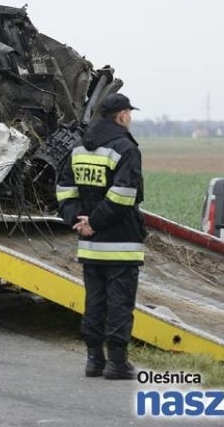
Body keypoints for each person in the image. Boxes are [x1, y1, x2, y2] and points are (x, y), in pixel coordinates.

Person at [56, 92, 146, 380]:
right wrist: (94, 221)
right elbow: (124, 195)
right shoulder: (125, 148)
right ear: (121, 116)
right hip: (120, 243)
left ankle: (94, 360)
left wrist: (78, 221)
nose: (130, 117)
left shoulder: (79, 148)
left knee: (95, 302)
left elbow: (65, 190)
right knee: (119, 304)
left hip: (90, 246)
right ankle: (117, 363)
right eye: (129, 113)